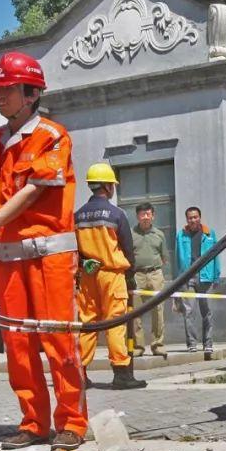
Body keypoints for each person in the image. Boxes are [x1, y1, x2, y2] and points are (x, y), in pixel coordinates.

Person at [0, 52, 88, 450]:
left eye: (8, 89)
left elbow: (34, 190)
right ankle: (34, 422)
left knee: (58, 341)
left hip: (49, 255)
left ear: (31, 94)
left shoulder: (52, 136)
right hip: (9, 258)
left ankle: (72, 421)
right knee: (17, 343)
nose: (1, 96)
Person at [75, 164, 145, 389]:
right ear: (107, 186)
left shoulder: (78, 215)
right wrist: (130, 274)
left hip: (87, 273)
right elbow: (127, 246)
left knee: (88, 323)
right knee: (116, 322)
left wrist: (84, 265)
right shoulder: (116, 214)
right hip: (112, 274)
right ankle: (122, 374)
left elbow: (73, 250)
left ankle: (79, 373)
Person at [175, 206, 218, 359]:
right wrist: (178, 280)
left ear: (200, 217)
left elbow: (216, 255)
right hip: (188, 277)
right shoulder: (181, 235)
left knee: (207, 312)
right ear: (187, 219)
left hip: (205, 277)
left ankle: (208, 344)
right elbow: (177, 258)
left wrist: (216, 276)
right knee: (188, 311)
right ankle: (192, 344)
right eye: (190, 218)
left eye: (195, 217)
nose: (193, 220)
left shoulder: (209, 234)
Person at [131, 203, 168, 358]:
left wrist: (156, 271)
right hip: (137, 275)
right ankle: (138, 346)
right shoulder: (131, 234)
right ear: (137, 216)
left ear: (153, 215)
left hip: (155, 274)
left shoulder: (159, 234)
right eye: (142, 214)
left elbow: (164, 257)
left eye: (148, 214)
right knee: (135, 311)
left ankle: (157, 345)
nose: (145, 217)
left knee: (158, 310)